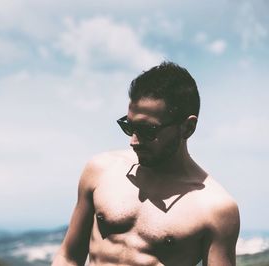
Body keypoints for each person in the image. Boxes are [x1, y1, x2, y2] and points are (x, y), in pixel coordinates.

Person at [52, 62, 240, 266]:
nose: (133, 141)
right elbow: (68, 257)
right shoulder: (100, 170)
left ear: (187, 127)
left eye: (148, 130)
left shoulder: (216, 208)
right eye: (129, 126)